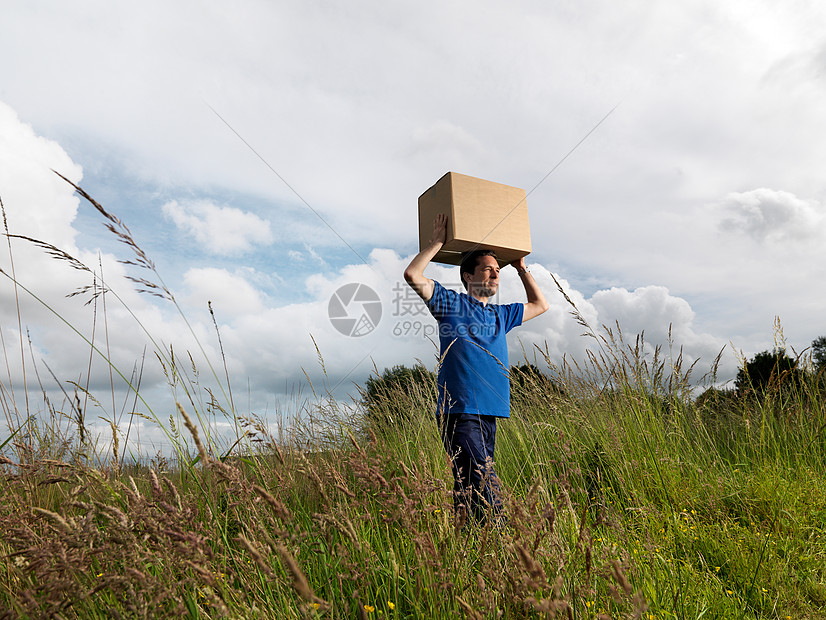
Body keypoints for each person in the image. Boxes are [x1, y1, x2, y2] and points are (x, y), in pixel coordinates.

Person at [403, 213, 549, 525]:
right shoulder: (450, 304)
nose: (496, 276)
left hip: (490, 412)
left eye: (498, 272)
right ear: (469, 276)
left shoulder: (501, 315)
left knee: (467, 487)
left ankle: (467, 548)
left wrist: (521, 269)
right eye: (488, 270)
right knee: (485, 479)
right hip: (460, 412)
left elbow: (540, 305)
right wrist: (437, 243)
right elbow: (414, 275)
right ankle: (504, 543)